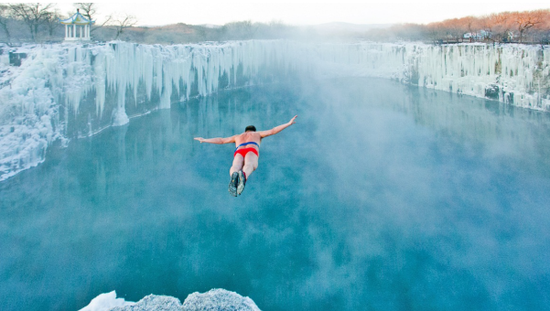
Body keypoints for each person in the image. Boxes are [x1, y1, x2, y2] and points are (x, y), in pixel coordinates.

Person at [194, 115, 298, 196]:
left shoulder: (238, 136)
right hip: (251, 149)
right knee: (250, 165)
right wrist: (288, 124)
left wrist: (204, 140)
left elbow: (221, 140)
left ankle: (234, 175)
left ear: (245, 131)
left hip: (239, 150)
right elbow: (273, 130)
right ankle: (244, 175)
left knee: (235, 166)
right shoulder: (257, 134)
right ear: (254, 130)